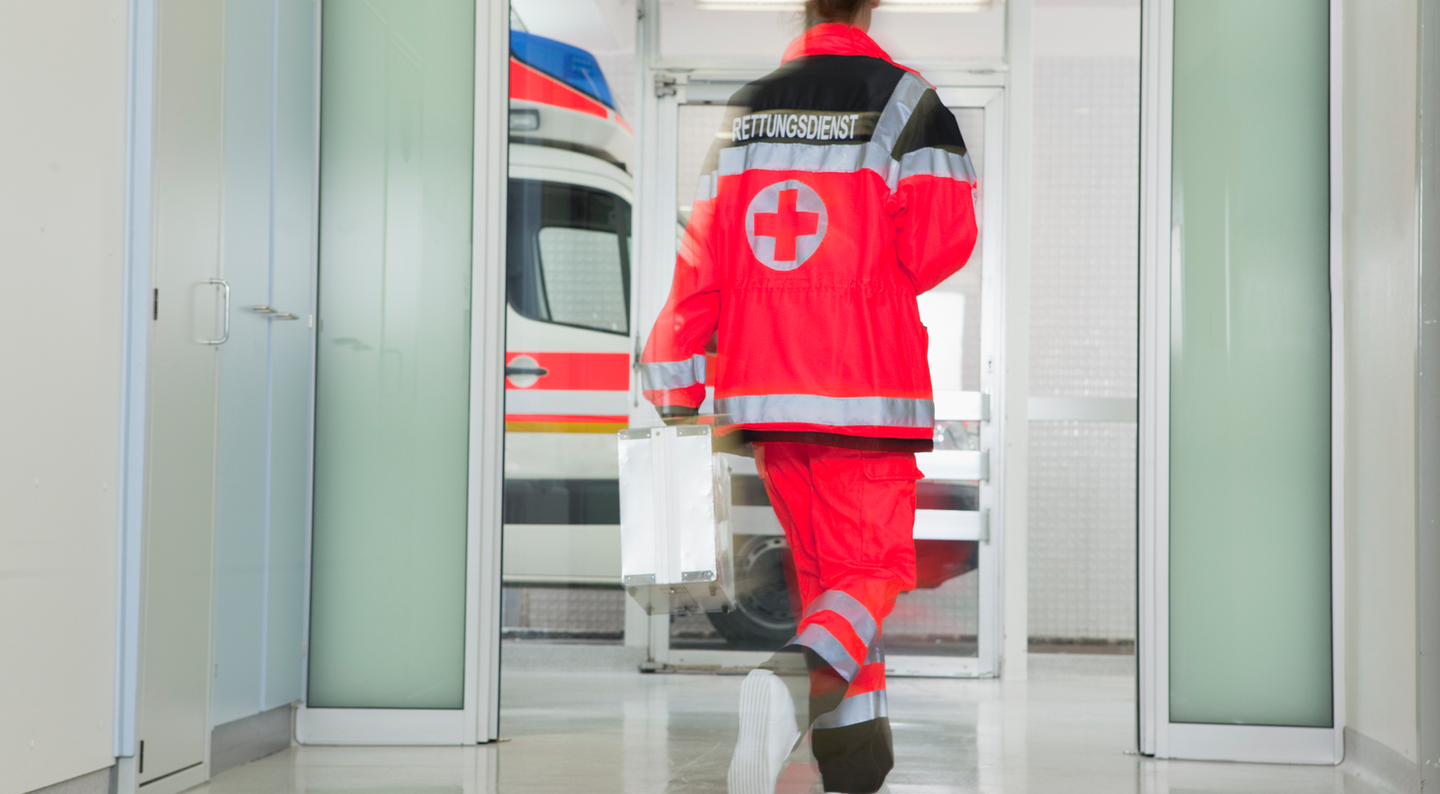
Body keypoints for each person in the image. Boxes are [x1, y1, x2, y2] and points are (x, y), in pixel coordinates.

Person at [639, 0, 978, 791]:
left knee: (833, 589)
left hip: (768, 400)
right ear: (872, 5)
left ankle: (854, 768)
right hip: (866, 394)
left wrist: (676, 380)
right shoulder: (905, 101)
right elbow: (938, 245)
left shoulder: (749, 109)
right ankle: (788, 684)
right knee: (877, 570)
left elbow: (702, 260)